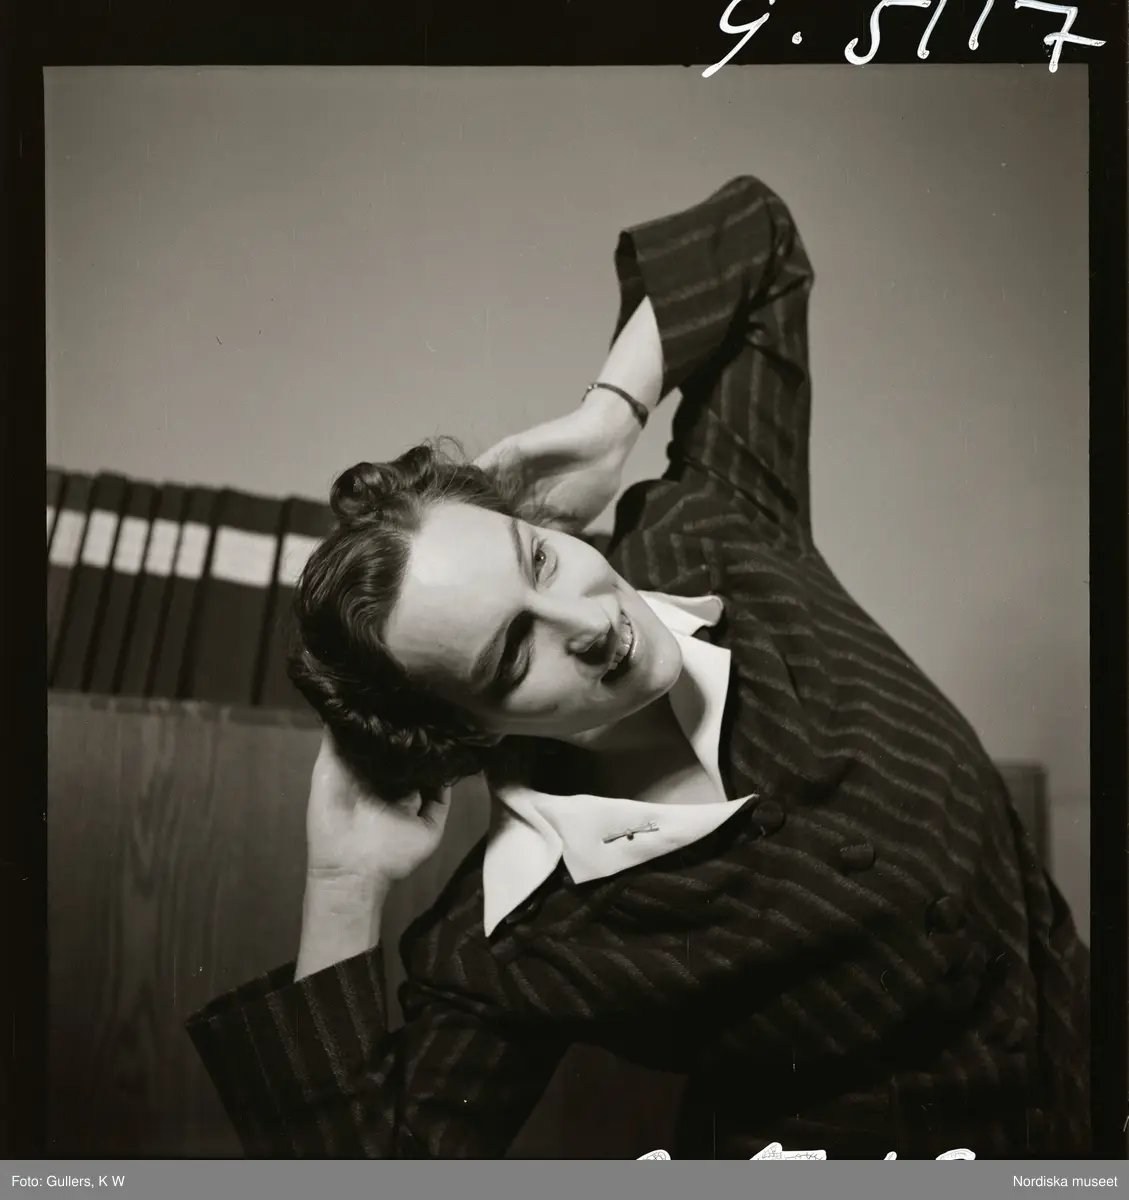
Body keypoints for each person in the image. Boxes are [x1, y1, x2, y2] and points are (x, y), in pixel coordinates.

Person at [186, 174, 1090, 1159]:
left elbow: (756, 237)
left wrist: (611, 418)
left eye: (538, 560)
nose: (588, 620)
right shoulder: (516, 941)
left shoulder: (716, 530)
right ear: (469, 732)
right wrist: (341, 883)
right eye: (513, 652)